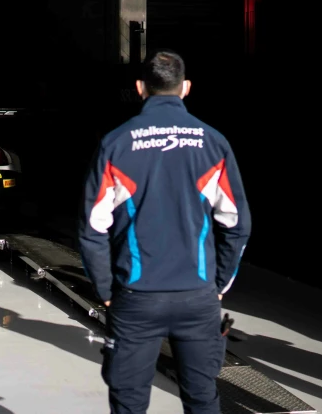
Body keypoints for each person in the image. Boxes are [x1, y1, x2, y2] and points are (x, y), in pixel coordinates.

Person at [79, 50, 251, 414]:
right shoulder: (214, 143)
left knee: (129, 403)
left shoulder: (116, 143)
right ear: (186, 88)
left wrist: (107, 290)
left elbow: (93, 229)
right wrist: (217, 285)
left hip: (136, 298)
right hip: (198, 298)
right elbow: (237, 225)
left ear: (140, 88)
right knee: (203, 400)